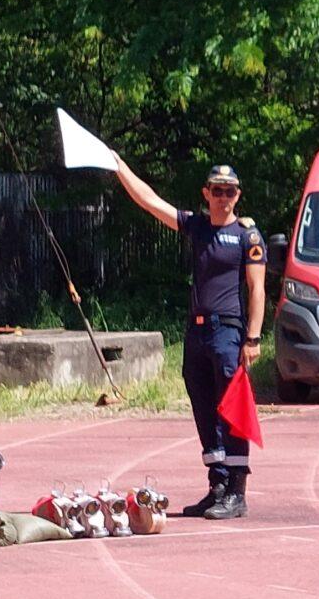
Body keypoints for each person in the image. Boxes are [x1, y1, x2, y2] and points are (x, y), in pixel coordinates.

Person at [111, 156, 264, 519]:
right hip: (196, 331)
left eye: (229, 192)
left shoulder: (248, 236)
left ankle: (237, 491)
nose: (223, 198)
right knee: (203, 407)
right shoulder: (197, 226)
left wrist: (253, 338)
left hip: (228, 330)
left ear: (238, 195)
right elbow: (150, 201)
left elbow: (257, 288)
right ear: (206, 193)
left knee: (231, 409)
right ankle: (218, 485)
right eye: (217, 191)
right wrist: (119, 166)